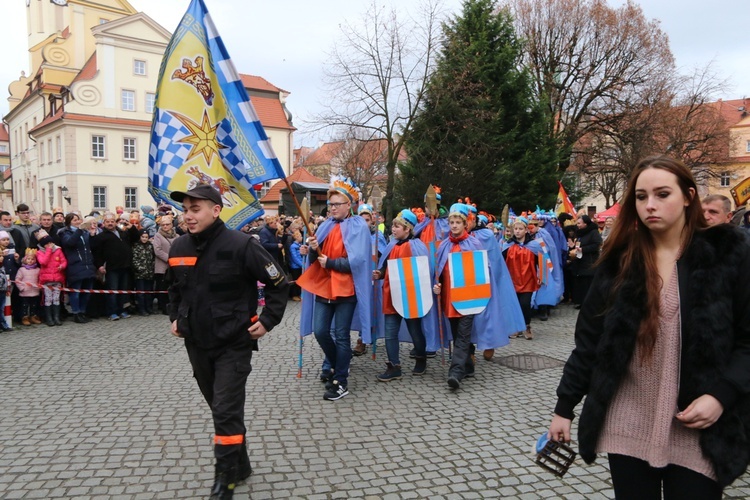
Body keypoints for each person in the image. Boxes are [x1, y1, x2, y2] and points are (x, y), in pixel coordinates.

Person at [547, 156, 750, 499]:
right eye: (641, 197)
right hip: (628, 418)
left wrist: (721, 395)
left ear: (688, 196)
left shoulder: (728, 254)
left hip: (698, 424)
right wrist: (564, 407)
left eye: (662, 194)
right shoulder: (619, 262)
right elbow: (590, 343)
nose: (650, 205)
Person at [167, 184, 288, 499]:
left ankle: (225, 482)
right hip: (197, 343)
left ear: (216, 210)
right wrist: (175, 317)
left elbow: (278, 282)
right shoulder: (178, 246)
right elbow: (174, 290)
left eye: (196, 209)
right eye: (186, 209)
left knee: (224, 409)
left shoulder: (241, 245)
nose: (188, 216)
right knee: (221, 409)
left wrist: (268, 320)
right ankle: (241, 464)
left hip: (234, 343)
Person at [296, 175, 372, 401]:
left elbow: (357, 261)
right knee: (320, 331)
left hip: (346, 289)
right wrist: (311, 249)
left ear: (349, 205)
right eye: (331, 204)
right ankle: (340, 363)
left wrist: (330, 262)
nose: (333, 208)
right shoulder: (325, 225)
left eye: (337, 204)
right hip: (324, 287)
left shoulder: (358, 226)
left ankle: (340, 380)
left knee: (341, 336)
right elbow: (314, 260)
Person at [373, 209, 433, 380]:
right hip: (391, 295)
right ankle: (394, 366)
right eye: (393, 226)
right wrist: (380, 273)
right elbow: (386, 266)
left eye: (398, 226)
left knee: (415, 331)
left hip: (410, 295)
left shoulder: (417, 246)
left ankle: (421, 358)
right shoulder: (391, 245)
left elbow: (423, 270)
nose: (394, 229)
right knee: (390, 332)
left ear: (407, 229)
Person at [432, 203, 483, 390]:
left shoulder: (474, 244)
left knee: (462, 335)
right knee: (457, 333)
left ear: (465, 224)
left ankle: (455, 373)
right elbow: (439, 271)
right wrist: (438, 285)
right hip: (449, 298)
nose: (453, 226)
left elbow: (482, 271)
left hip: (469, 297)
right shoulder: (444, 245)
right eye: (451, 222)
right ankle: (468, 366)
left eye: (457, 222)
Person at [91, 212, 139, 321]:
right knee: (112, 291)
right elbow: (96, 252)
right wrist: (99, 266)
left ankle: (121, 310)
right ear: (104, 223)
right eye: (108, 222)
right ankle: (111, 312)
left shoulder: (122, 232)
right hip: (112, 268)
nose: (110, 223)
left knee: (123, 291)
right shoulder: (101, 236)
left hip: (125, 266)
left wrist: (131, 228)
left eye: (112, 221)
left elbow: (136, 238)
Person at [503, 217, 542, 340]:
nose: (518, 231)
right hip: (512, 280)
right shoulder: (507, 245)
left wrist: (541, 275)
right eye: (516, 229)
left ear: (526, 230)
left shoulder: (534, 245)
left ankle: (526, 325)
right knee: (514, 304)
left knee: (525, 304)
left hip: (528, 279)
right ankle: (516, 327)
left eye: (520, 229)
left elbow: (541, 262)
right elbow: (501, 263)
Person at [59, 214, 96, 323]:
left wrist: (93, 235)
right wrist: (79, 230)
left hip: (87, 264)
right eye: (74, 220)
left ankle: (83, 312)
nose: (77, 221)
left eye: (78, 219)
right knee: (75, 292)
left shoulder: (85, 232)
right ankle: (76, 312)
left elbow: (91, 247)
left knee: (87, 291)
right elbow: (70, 243)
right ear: (69, 222)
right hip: (75, 265)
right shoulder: (65, 233)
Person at [569, 214, 602, 308]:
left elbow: (597, 244)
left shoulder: (593, 232)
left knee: (588, 283)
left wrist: (583, 249)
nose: (577, 225)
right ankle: (582, 302)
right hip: (580, 261)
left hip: (589, 262)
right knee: (581, 284)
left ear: (585, 224)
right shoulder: (580, 233)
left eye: (579, 223)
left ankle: (589, 303)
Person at [36, 235, 67, 326]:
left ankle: (56, 317)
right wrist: (49, 251)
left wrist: (62, 266)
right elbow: (43, 262)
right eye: (47, 244)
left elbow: (64, 261)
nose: (50, 245)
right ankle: (49, 318)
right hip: (47, 280)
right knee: (48, 299)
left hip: (57, 278)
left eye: (51, 243)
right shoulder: (39, 252)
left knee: (56, 298)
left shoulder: (58, 250)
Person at [153, 216, 178, 315]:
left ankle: (173, 306)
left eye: (167, 224)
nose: (165, 226)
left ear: (171, 225)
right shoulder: (158, 236)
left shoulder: (177, 236)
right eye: (163, 225)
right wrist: (169, 259)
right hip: (162, 267)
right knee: (163, 288)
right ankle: (163, 307)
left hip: (174, 266)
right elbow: (157, 251)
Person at [15, 249, 42, 326]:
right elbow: (17, 280)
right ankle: (25, 317)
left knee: (34, 305)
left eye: (32, 259)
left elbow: (40, 279)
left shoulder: (37, 270)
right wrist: (22, 288)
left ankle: (33, 316)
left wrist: (39, 287)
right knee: (24, 306)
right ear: (25, 259)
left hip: (35, 291)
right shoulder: (22, 270)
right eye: (28, 259)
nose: (30, 261)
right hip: (25, 292)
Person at [132, 229, 155, 316]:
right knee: (141, 293)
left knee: (148, 292)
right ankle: (141, 309)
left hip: (149, 273)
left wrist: (151, 268)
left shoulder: (150, 246)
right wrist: (139, 269)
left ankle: (149, 307)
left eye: (146, 237)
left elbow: (152, 258)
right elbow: (134, 259)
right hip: (140, 274)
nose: (145, 239)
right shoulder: (136, 246)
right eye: (143, 237)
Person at [288, 230, 303, 302]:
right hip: (295, 267)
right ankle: (294, 295)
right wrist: (302, 264)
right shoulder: (293, 246)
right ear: (297, 237)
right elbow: (295, 257)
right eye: (300, 236)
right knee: (295, 281)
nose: (301, 237)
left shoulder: (299, 245)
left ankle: (298, 294)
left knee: (299, 281)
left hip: (299, 266)